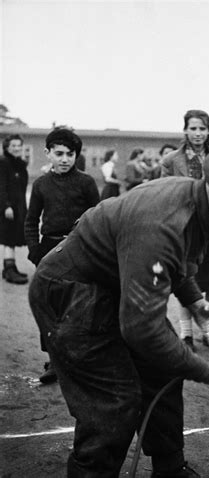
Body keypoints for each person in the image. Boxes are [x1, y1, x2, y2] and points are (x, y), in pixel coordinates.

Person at [28, 139, 209, 478]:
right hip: (70, 292)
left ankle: (170, 467)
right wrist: (207, 371)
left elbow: (178, 261)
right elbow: (141, 329)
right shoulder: (162, 222)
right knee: (114, 402)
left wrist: (195, 302)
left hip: (110, 280)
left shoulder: (197, 200)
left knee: (162, 369)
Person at [24, 127, 100, 384]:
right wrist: (35, 251)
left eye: (70, 154)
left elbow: (98, 218)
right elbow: (31, 220)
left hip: (78, 250)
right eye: (59, 153)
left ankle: (78, 361)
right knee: (49, 308)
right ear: (48, 154)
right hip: (49, 251)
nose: (65, 159)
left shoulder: (87, 183)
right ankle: (54, 361)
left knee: (79, 308)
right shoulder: (41, 184)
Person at [161, 110, 209, 350]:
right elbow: (163, 193)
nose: (197, 133)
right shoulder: (172, 160)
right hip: (184, 227)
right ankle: (186, 334)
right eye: (193, 128)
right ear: (185, 130)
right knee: (186, 278)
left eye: (202, 128)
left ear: (208, 131)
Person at [0, 134, 28, 284]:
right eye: (13, 146)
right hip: (8, 208)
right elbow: (1, 186)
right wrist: (6, 206)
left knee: (13, 237)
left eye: (19, 145)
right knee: (8, 237)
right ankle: (9, 270)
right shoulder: (3, 162)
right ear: (7, 147)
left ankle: (10, 267)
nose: (17, 148)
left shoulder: (19, 164)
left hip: (19, 207)